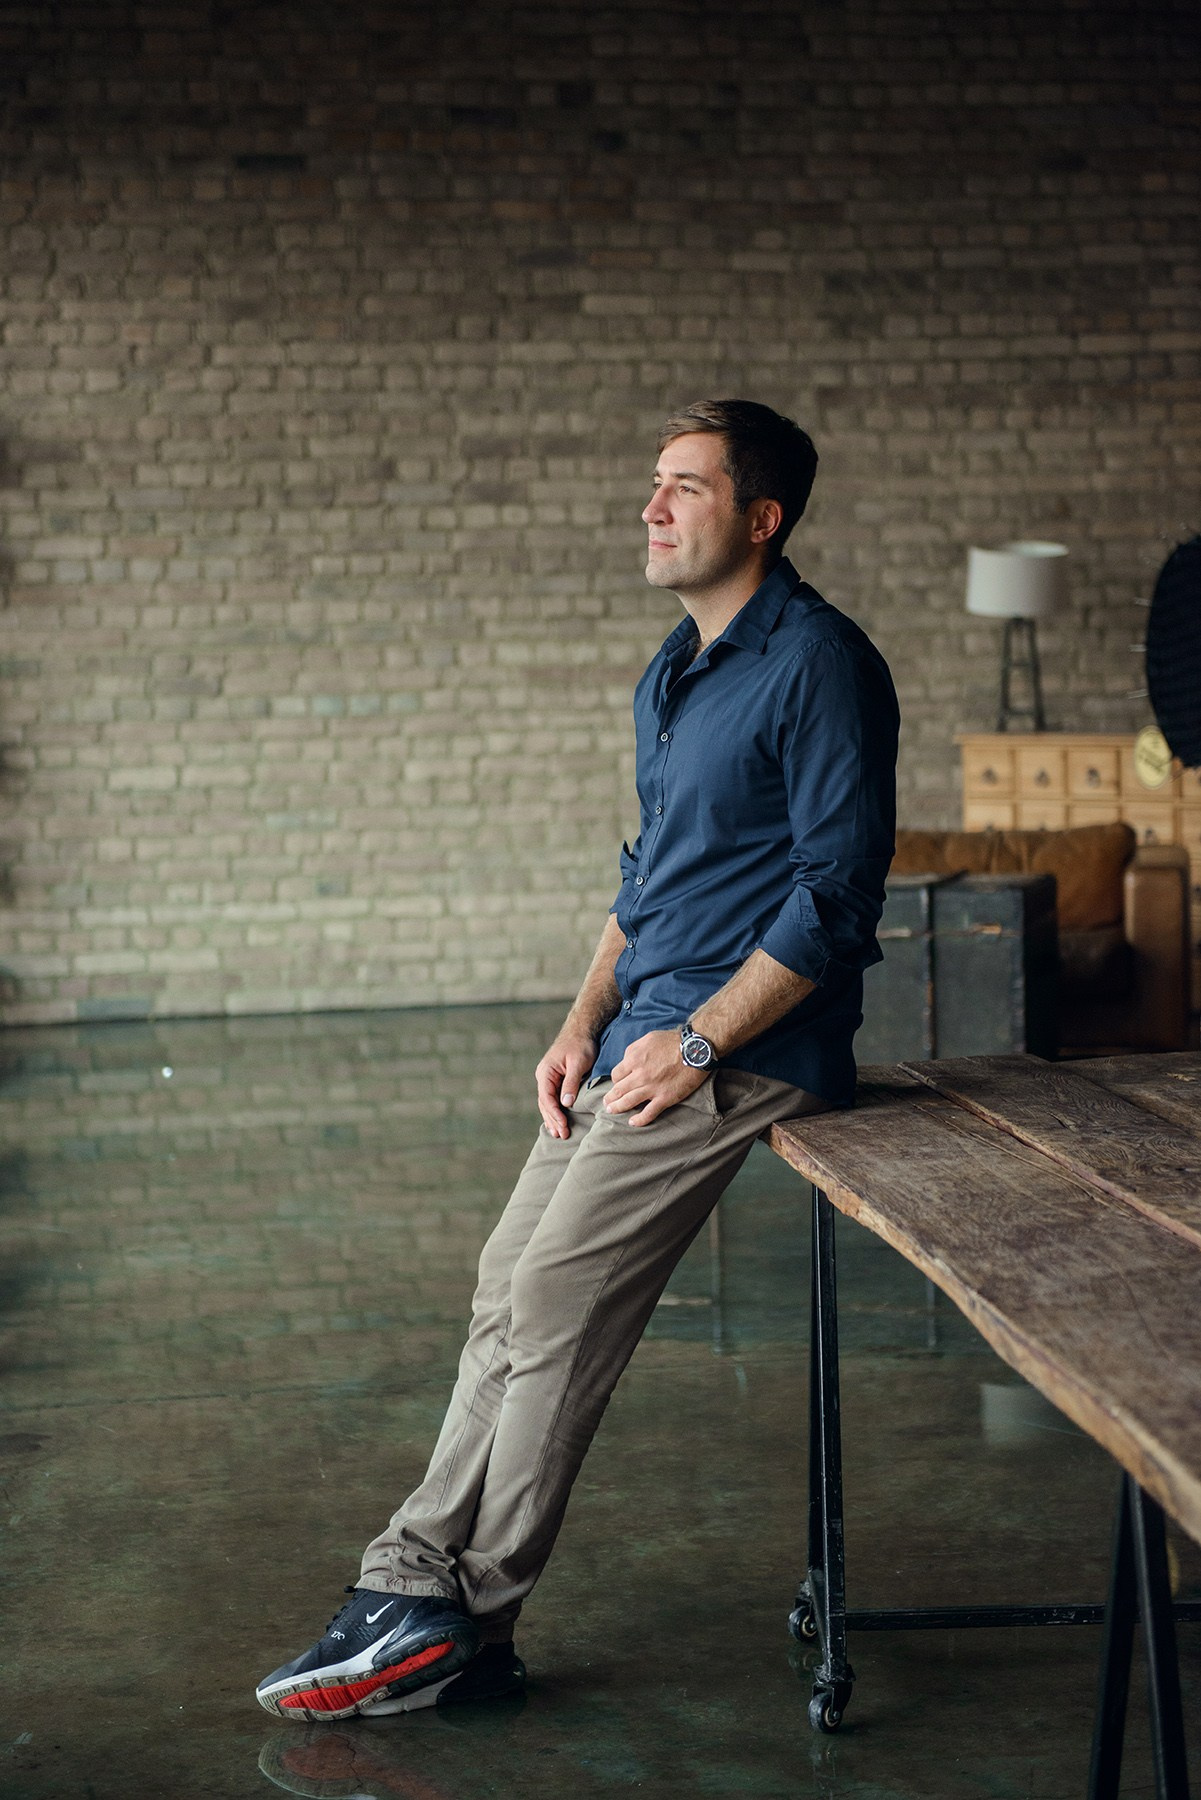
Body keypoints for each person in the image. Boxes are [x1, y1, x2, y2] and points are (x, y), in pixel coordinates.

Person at [256, 398, 899, 1722]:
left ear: (761, 518)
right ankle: (412, 1578)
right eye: (650, 485)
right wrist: (579, 1020)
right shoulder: (670, 671)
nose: (650, 507)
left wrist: (704, 1034)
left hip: (751, 1044)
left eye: (683, 486)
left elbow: (834, 899)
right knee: (504, 1281)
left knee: (554, 1299)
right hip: (644, 1034)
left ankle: (458, 1615)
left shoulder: (821, 663)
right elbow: (647, 880)